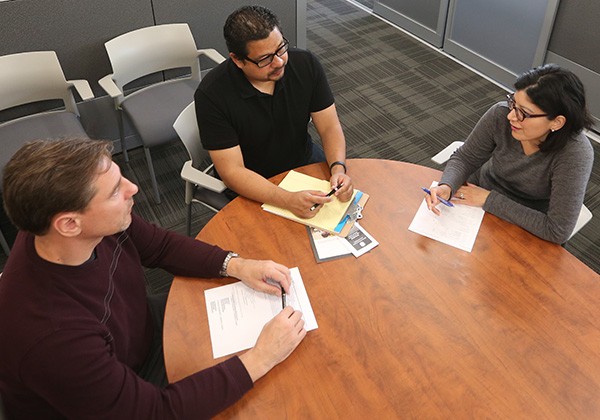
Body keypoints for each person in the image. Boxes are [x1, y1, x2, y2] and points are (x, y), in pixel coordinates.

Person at [0, 138, 307, 419]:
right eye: (114, 192)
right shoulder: (52, 337)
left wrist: (237, 265)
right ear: (69, 224)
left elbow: (159, 246)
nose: (133, 188)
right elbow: (154, 413)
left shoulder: (70, 225)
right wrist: (260, 359)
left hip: (139, 330)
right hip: (121, 392)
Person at [194, 5, 353, 219]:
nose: (279, 62)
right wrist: (286, 199)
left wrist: (338, 168)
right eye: (265, 59)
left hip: (303, 160)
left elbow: (329, 127)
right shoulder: (212, 95)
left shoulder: (306, 64)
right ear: (238, 60)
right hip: (254, 181)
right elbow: (232, 172)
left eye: (281, 48)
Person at [425, 64, 594, 244]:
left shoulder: (575, 153)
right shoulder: (500, 114)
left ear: (557, 122)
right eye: (513, 103)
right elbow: (465, 157)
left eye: (524, 113)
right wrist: (447, 185)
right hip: (476, 198)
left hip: (526, 223)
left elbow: (557, 230)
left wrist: (489, 200)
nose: (511, 116)